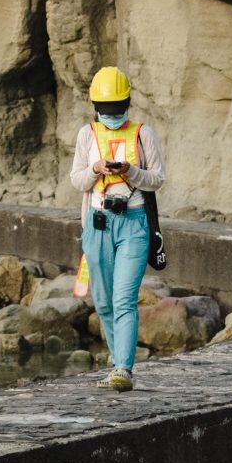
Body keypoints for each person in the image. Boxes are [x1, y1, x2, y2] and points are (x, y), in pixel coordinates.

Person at [67, 65, 166, 392]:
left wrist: (130, 171)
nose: (113, 116)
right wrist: (96, 169)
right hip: (97, 224)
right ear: (96, 108)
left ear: (128, 103)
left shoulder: (143, 133)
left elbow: (157, 180)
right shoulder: (87, 134)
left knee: (124, 299)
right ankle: (116, 361)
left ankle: (124, 368)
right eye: (107, 111)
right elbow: (76, 180)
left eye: (118, 109)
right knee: (105, 302)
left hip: (133, 224)